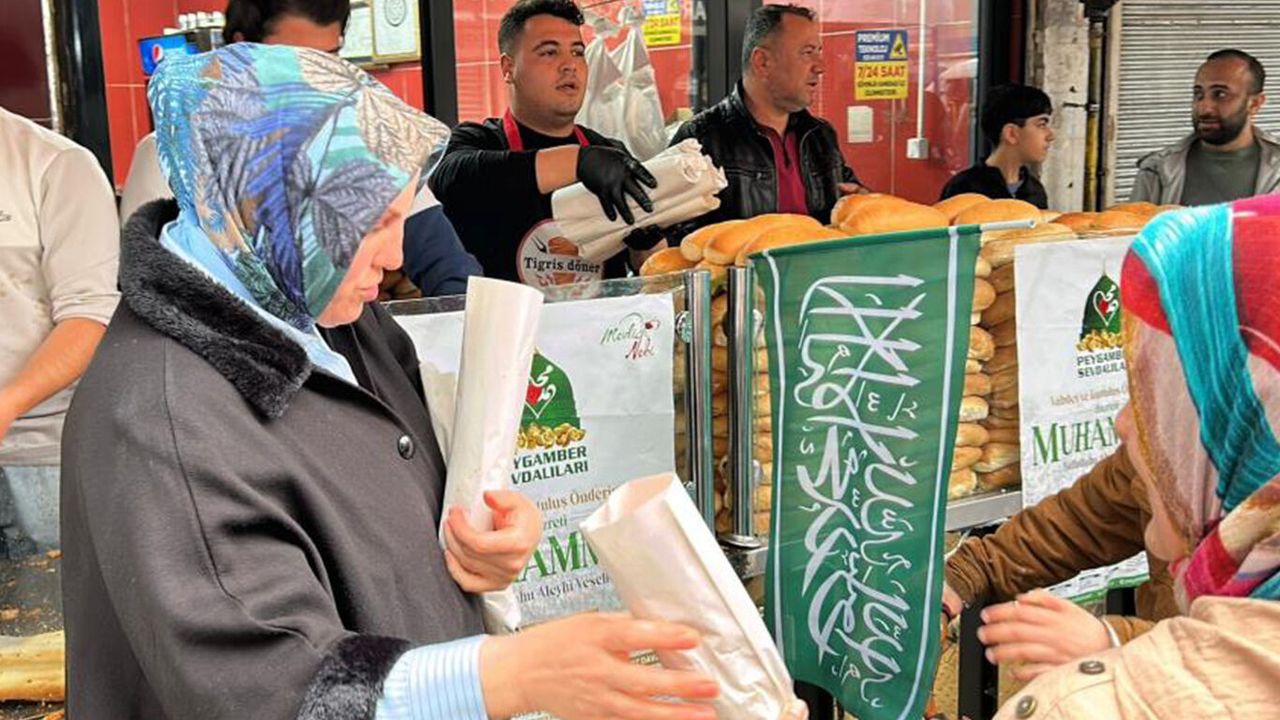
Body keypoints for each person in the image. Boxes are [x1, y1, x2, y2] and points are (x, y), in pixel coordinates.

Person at [62, 43, 765, 720]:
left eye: (402, 215)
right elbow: (265, 690)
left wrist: (484, 535)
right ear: (269, 208)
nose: (397, 254)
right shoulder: (162, 417)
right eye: (373, 222)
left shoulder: (318, 304)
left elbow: (411, 474)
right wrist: (510, 675)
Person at [990, 196, 1280, 719]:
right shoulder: (1201, 472)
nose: (1122, 422)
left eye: (1156, 392)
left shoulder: (1083, 708)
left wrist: (1115, 648)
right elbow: (1089, 514)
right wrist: (968, 572)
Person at [117, 0, 482, 297]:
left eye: (329, 59)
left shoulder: (367, 146)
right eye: (295, 59)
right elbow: (157, 296)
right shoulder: (171, 158)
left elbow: (453, 276)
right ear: (240, 48)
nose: (316, 80)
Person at [430, 0, 664, 288]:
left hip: (598, 317)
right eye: (549, 52)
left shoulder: (610, 153)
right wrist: (579, 163)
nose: (569, 65)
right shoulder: (479, 141)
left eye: (577, 52)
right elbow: (452, 179)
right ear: (508, 68)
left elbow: (650, 271)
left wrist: (648, 240)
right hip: (508, 319)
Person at [942, 446, 1179, 681]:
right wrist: (969, 571)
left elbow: (1203, 656)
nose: (1121, 427)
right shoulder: (1160, 440)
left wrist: (1115, 643)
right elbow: (1082, 521)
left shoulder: (1183, 439)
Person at [0, 104, 118, 557]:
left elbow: (89, 318)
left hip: (39, 458)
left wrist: (7, 405)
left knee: (45, 597)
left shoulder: (56, 164)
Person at [670, 4, 864, 229]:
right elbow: (673, 237)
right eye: (807, 52)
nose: (820, 66)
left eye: (819, 52)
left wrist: (863, 203)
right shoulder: (700, 139)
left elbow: (853, 208)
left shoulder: (821, 136)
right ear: (762, 62)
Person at [1131, 49, 1280, 206]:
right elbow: (1133, 221)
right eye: (1198, 94)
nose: (1204, 108)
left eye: (1220, 95)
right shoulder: (1157, 170)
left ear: (1255, 104)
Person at [939, 83, 1053, 208]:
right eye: (1042, 124)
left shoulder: (1036, 191)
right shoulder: (962, 188)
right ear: (1011, 134)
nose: (1051, 136)